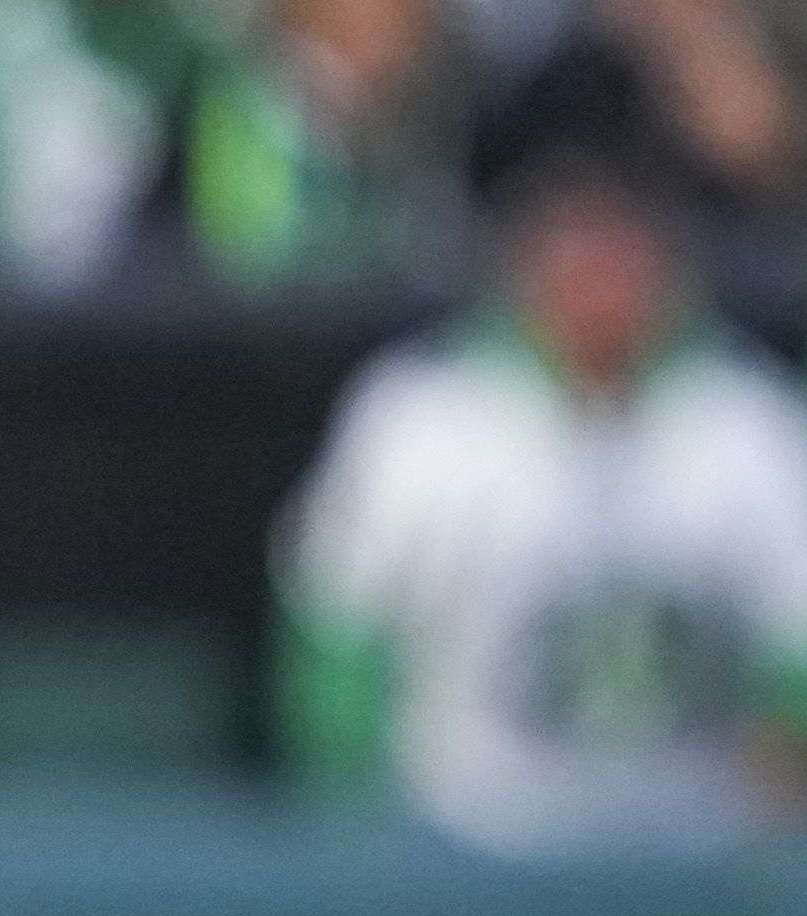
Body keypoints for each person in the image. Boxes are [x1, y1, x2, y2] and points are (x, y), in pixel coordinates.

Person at [278, 129, 807, 855]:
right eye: (575, 255)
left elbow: (794, 657)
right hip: (469, 850)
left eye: (622, 256)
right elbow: (337, 645)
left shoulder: (748, 422)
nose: (599, 285)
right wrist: (368, 842)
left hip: (694, 865)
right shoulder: (420, 418)